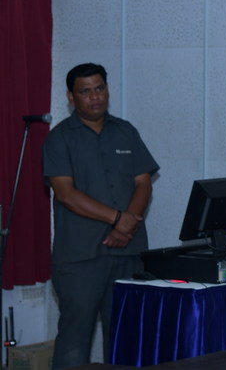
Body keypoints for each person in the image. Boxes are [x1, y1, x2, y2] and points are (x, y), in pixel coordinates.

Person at [42, 63, 159, 369]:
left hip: (128, 253)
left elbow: (143, 182)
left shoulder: (126, 131)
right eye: (85, 91)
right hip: (80, 259)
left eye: (100, 88)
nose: (95, 97)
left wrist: (126, 226)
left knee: (126, 338)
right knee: (74, 342)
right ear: (71, 97)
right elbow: (65, 194)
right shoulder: (59, 138)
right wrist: (117, 219)